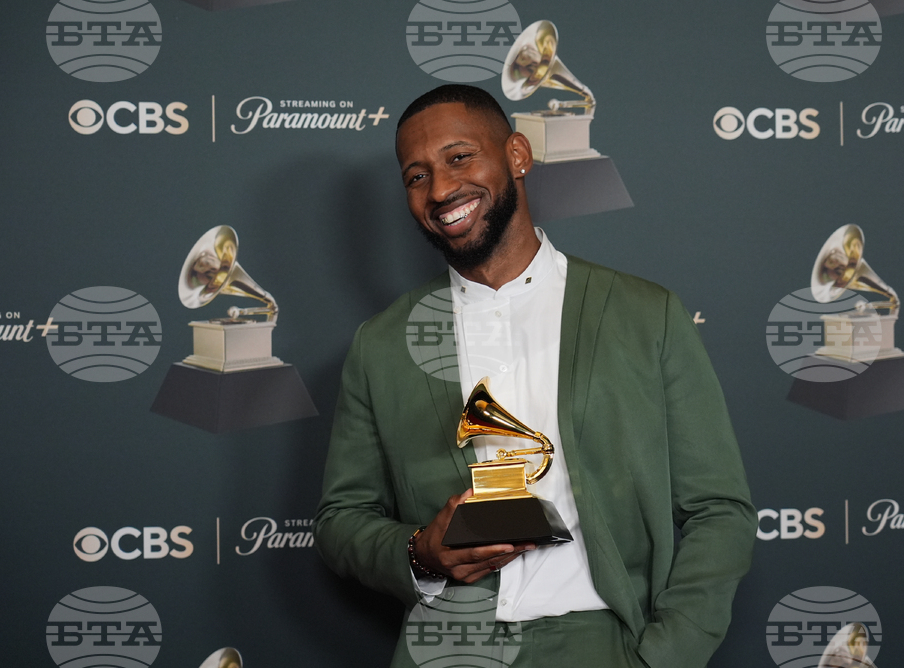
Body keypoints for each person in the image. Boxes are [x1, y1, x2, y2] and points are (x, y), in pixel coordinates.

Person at [314, 84, 756, 668]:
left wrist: (665, 654)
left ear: (517, 155)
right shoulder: (382, 344)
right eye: (416, 176)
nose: (441, 190)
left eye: (459, 157)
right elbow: (340, 521)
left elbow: (719, 509)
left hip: (603, 645)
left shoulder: (646, 315)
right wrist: (420, 552)